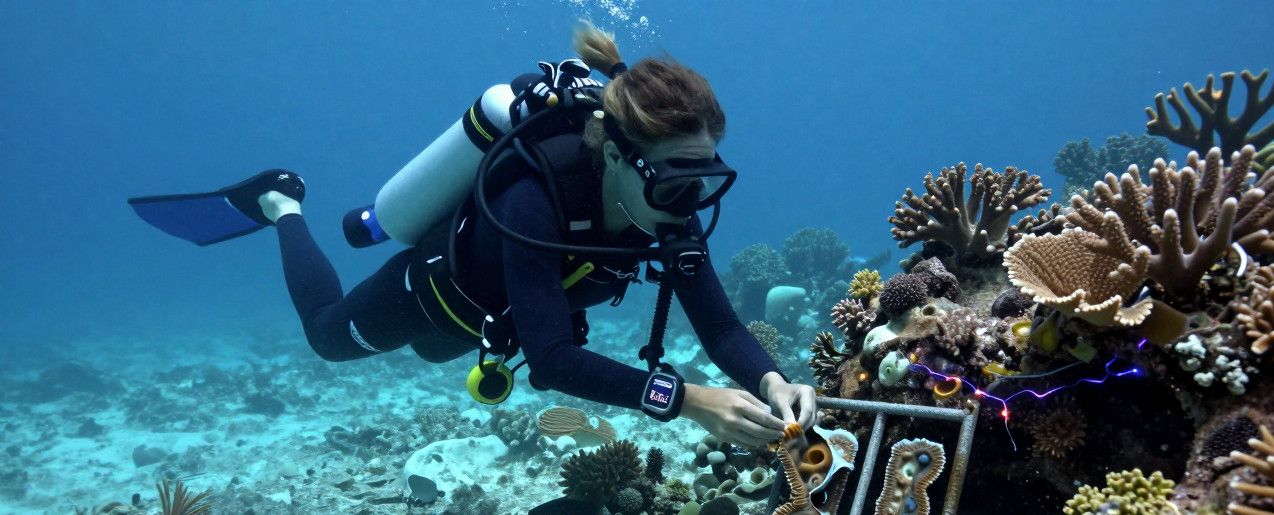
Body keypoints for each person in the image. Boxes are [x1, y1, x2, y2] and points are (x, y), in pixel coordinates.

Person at [149, 23, 816, 447]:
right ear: (615, 155)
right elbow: (552, 359)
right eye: (677, 179)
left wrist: (772, 381)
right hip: (435, 293)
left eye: (704, 177)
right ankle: (280, 205)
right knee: (327, 337)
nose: (692, 199)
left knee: (437, 357)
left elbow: (722, 329)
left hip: (495, 323)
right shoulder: (537, 200)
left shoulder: (668, 203)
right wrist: (692, 401)